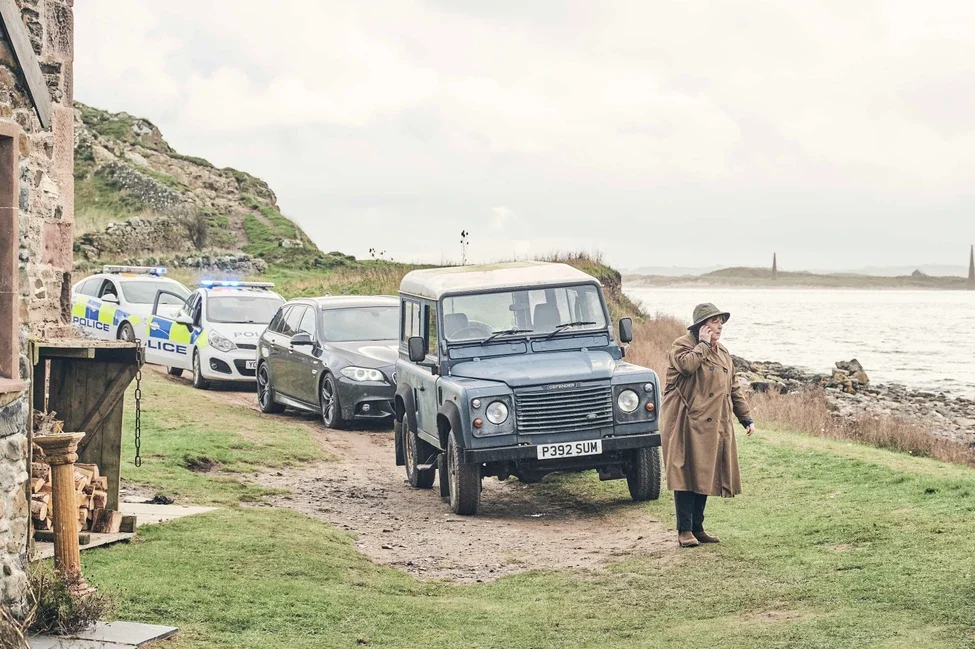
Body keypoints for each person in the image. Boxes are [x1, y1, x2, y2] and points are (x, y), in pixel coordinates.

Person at [660, 303, 756, 548]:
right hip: (686, 421)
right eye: (715, 321)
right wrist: (702, 345)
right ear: (702, 326)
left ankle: (698, 527)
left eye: (721, 321)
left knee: (704, 473)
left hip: (715, 423)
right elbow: (686, 366)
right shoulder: (682, 345)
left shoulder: (723, 352)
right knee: (686, 473)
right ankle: (684, 530)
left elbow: (732, 387)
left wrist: (745, 418)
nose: (720, 326)